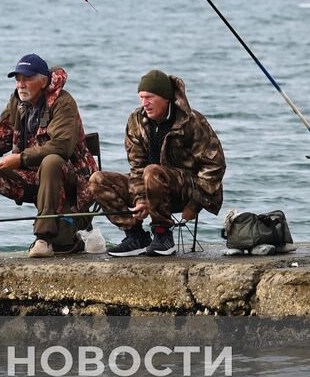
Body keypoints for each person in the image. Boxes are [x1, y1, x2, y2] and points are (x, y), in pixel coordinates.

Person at [0, 53, 98, 260]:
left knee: (52, 161)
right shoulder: (17, 102)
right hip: (32, 179)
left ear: (43, 81)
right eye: (18, 79)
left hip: (70, 184)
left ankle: (44, 240)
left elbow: (61, 147)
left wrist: (20, 159)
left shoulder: (63, 102)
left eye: (27, 78)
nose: (21, 84)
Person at [89, 69, 226, 257]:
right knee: (98, 179)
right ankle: (136, 236)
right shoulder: (136, 120)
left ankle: (162, 235)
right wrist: (140, 198)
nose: (144, 103)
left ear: (165, 98)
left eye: (150, 97)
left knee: (152, 172)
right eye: (141, 97)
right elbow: (137, 166)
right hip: (148, 181)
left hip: (185, 190)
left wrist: (195, 204)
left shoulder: (192, 121)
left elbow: (215, 165)